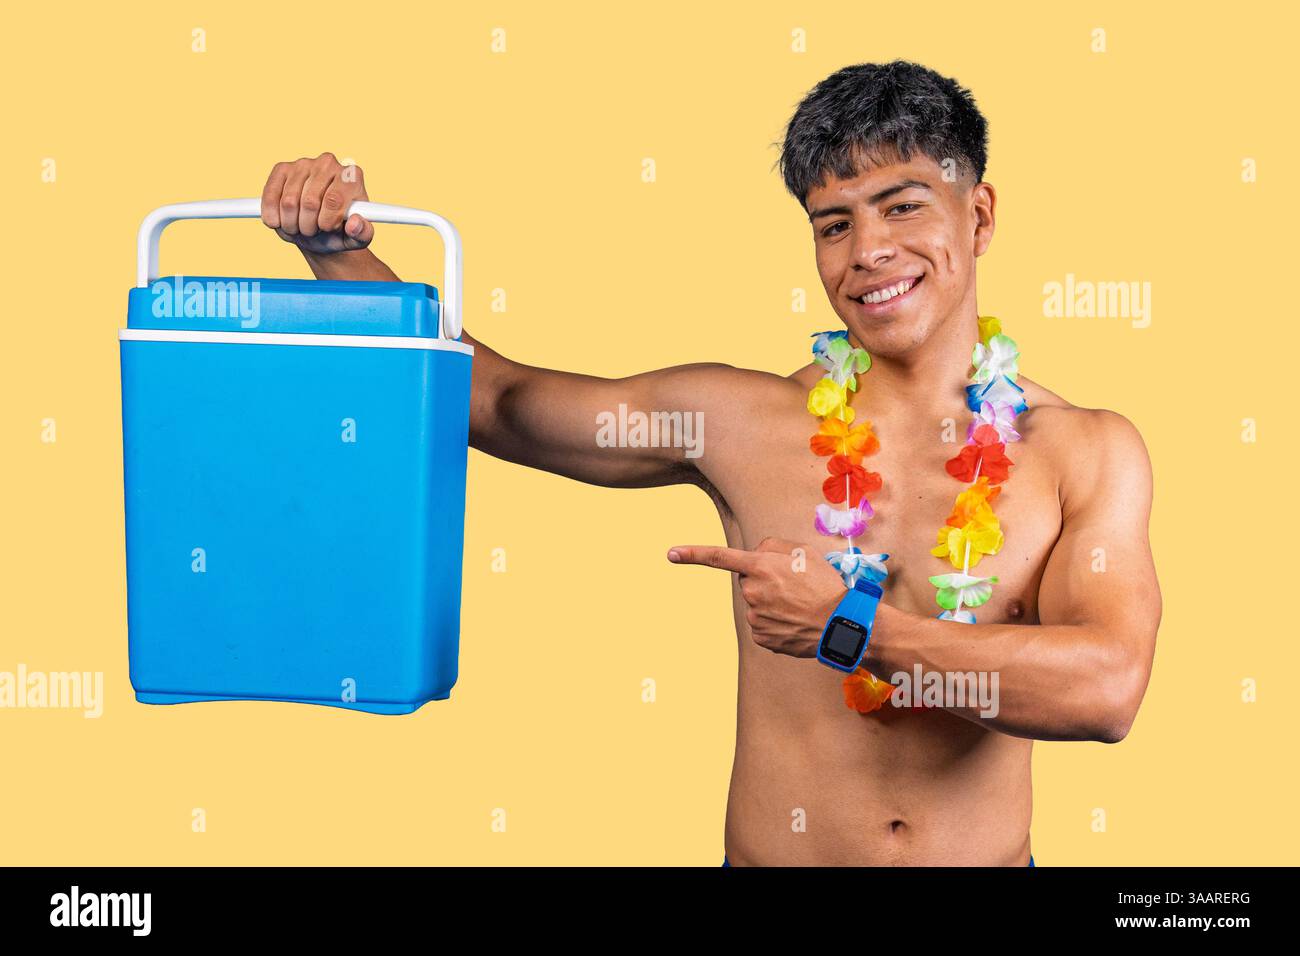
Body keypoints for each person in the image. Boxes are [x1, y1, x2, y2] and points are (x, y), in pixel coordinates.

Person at [258, 60, 1161, 867]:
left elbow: (1108, 689)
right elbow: (495, 401)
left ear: (981, 213)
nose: (869, 252)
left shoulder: (1082, 450)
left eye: (904, 204)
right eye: (833, 224)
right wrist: (335, 254)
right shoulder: (736, 420)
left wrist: (850, 629)